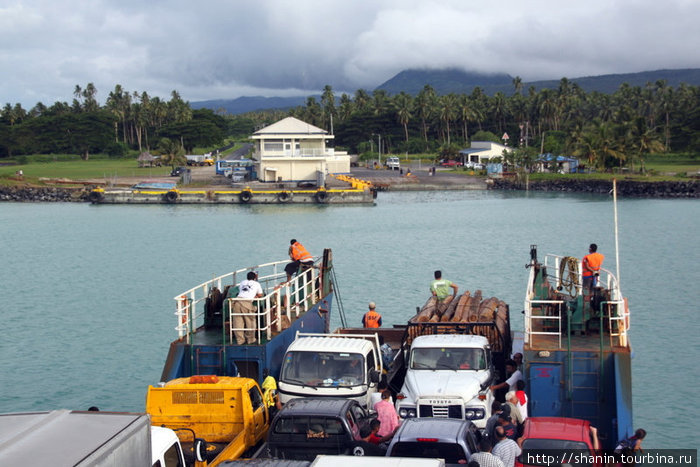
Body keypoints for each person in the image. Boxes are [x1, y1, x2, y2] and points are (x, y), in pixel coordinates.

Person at [233, 271, 263, 345]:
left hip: (237, 302)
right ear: (255, 277)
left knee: (238, 322)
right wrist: (255, 296)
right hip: (246, 303)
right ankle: (251, 339)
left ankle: (240, 340)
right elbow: (260, 294)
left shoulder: (242, 282)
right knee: (250, 321)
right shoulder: (256, 284)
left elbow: (242, 291)